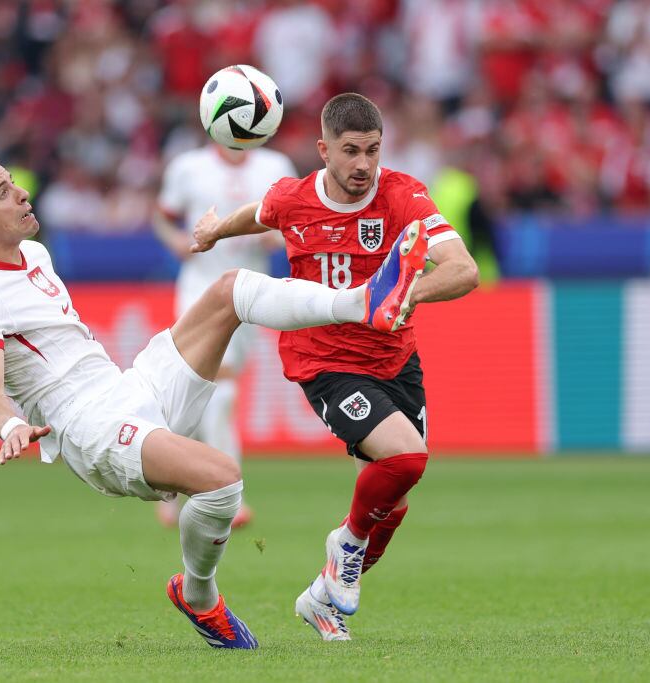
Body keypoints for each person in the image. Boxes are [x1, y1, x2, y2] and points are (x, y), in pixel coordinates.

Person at [0, 152, 428, 649]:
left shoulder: (36, 254)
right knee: (222, 479)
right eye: (2, 192)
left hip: (127, 387)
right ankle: (198, 596)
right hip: (91, 428)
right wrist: (9, 426)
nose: (21, 192)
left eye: (13, 182)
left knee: (230, 290)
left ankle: (362, 302)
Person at [191, 93, 479, 641]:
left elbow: (463, 270)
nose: (363, 165)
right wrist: (212, 232)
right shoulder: (293, 198)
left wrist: (406, 296)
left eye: (372, 150)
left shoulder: (403, 196)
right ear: (324, 149)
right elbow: (257, 216)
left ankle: (322, 597)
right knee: (406, 458)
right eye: (350, 151)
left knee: (391, 508)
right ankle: (343, 546)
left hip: (394, 360)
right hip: (323, 361)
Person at [152, 142, 297, 529]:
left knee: (199, 395)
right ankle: (228, 494)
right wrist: (176, 241)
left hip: (249, 288)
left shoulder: (276, 164)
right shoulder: (188, 165)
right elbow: (163, 217)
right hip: (198, 284)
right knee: (216, 386)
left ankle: (170, 487)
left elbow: (297, 222)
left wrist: (277, 238)